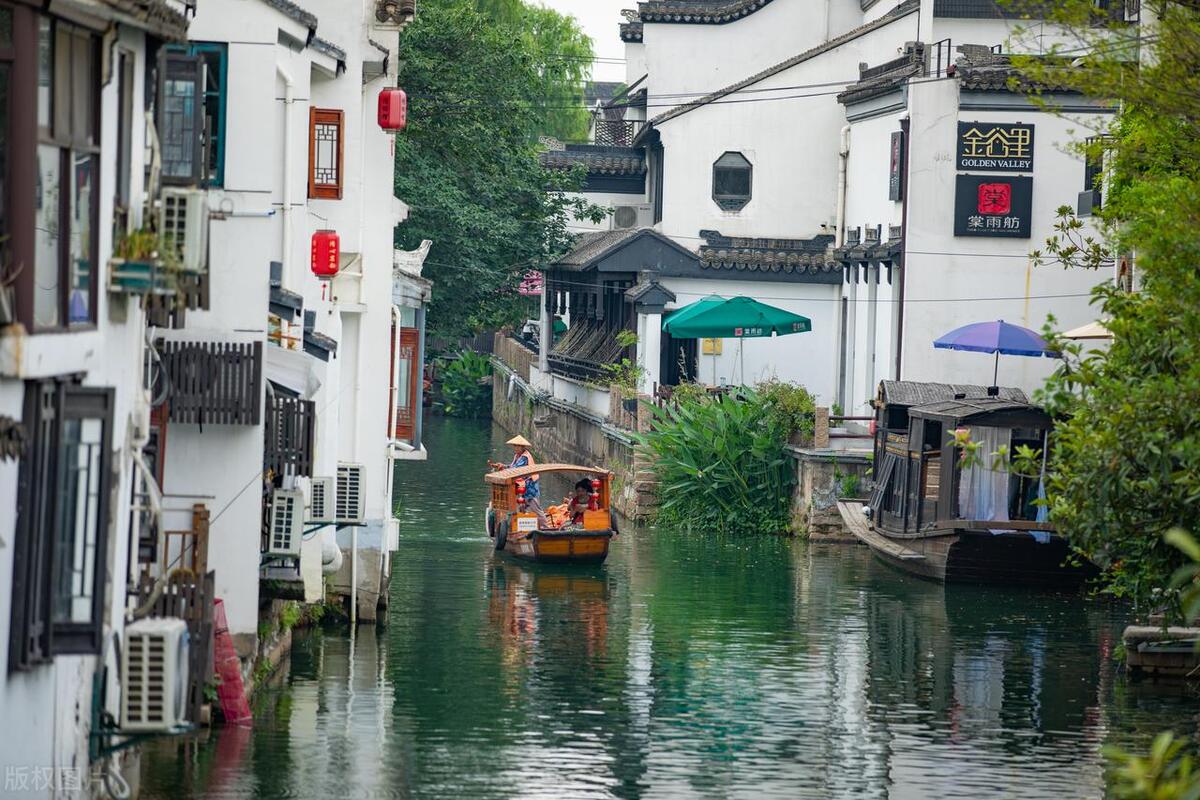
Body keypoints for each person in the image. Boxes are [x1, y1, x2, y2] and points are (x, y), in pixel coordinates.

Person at [504, 435, 547, 528]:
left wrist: (504, 469)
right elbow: (512, 467)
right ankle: (522, 529)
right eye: (514, 446)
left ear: (522, 447)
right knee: (522, 508)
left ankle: (546, 528)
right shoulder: (517, 456)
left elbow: (515, 469)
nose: (515, 448)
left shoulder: (525, 457)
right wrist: (503, 466)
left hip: (530, 487)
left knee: (536, 509)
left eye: (517, 446)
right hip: (522, 487)